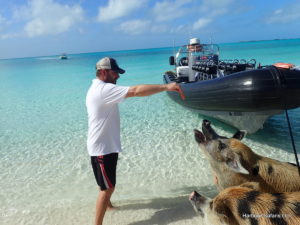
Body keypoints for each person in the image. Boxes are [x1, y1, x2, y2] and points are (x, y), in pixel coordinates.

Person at [86, 57, 184, 225]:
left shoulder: (97, 88)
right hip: (102, 148)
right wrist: (166, 86)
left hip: (104, 146)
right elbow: (136, 91)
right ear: (103, 72)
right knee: (107, 188)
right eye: (114, 72)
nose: (117, 76)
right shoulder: (103, 90)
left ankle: (108, 206)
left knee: (106, 185)